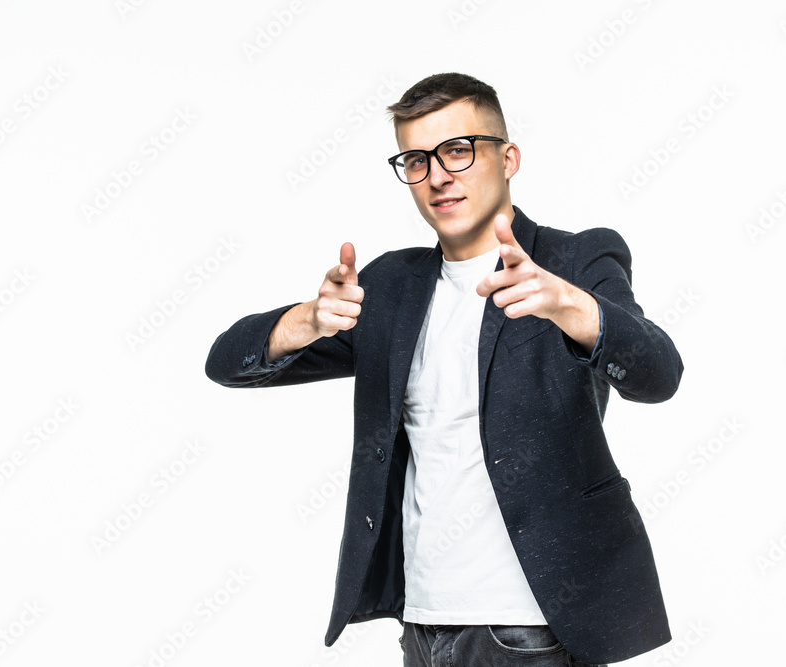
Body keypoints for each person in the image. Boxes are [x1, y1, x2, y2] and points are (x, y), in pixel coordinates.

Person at [205, 72, 683, 666]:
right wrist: (308, 318)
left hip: (533, 625)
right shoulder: (390, 286)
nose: (437, 176)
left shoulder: (575, 258)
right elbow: (225, 363)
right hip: (423, 623)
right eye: (416, 159)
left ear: (507, 158)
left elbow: (658, 374)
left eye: (458, 150)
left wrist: (568, 304)